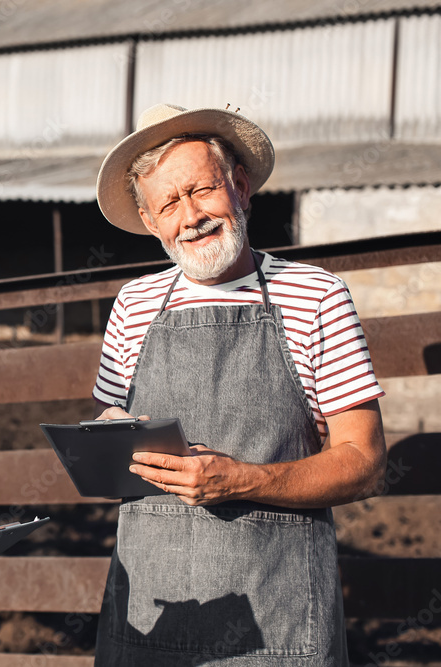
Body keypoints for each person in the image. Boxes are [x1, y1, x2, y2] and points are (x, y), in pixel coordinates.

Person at [90, 104, 387, 666]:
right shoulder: (133, 304)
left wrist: (240, 479)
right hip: (154, 611)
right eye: (169, 204)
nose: (191, 216)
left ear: (241, 188)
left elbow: (365, 461)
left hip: (278, 615)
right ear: (150, 222)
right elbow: (112, 436)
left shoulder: (316, 295)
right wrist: (104, 440)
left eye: (202, 190)